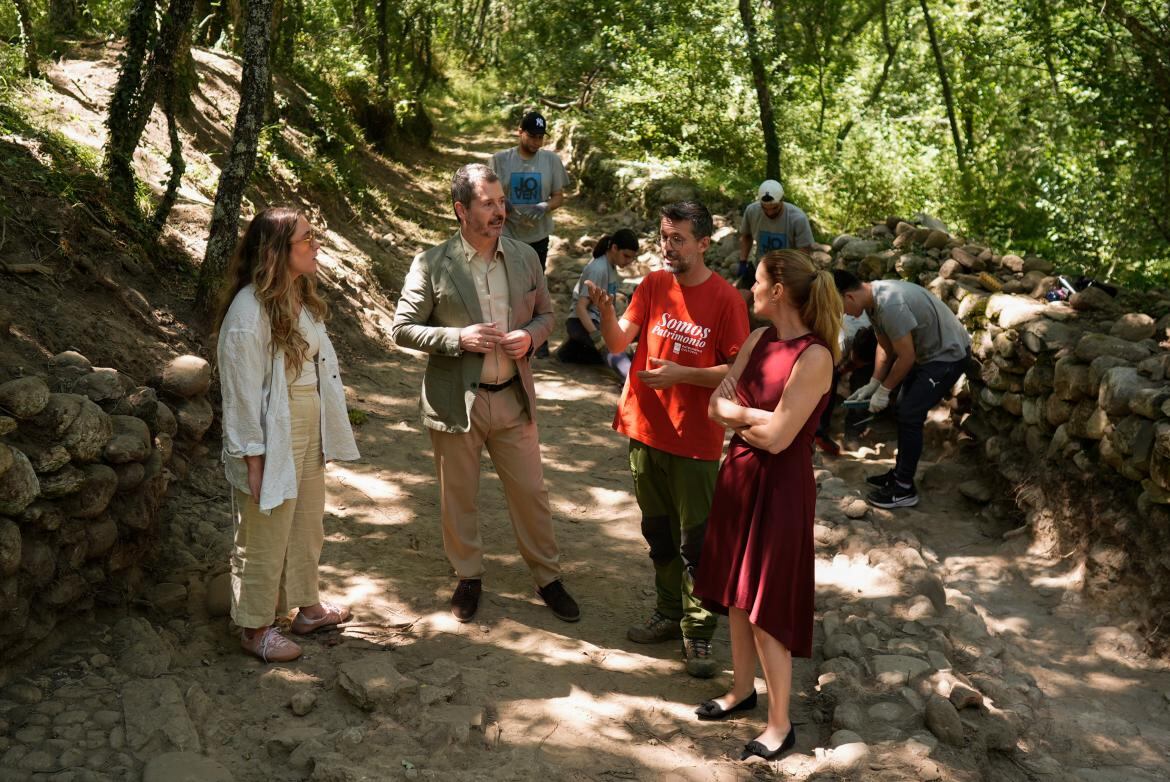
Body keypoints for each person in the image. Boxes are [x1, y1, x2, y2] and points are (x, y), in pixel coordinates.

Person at [390, 163, 580, 624]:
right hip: (457, 402)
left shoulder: (525, 257)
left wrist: (531, 337)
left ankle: (547, 577)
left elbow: (547, 314)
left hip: (513, 397)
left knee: (531, 493)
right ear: (461, 210)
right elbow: (402, 329)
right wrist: (459, 339)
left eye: (502, 201)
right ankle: (468, 575)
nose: (501, 211)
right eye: (489, 204)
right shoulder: (431, 263)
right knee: (460, 496)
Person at [588, 201, 749, 678]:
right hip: (643, 428)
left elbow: (739, 370)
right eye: (664, 237)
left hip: (695, 441)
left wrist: (685, 374)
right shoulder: (654, 285)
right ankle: (667, 612)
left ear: (703, 243)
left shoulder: (726, 300)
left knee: (695, 543)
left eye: (679, 239)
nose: (668, 246)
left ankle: (699, 635)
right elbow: (620, 345)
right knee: (657, 534)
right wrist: (606, 313)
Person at [692, 249, 840, 761]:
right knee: (735, 592)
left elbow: (779, 440)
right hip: (738, 475)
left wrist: (743, 416)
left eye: (754, 280)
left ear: (778, 289)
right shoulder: (757, 339)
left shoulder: (815, 356)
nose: (747, 287)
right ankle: (741, 690)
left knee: (765, 607)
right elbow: (716, 408)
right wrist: (755, 417)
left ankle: (780, 724)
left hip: (781, 488)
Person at [215, 207, 360, 663]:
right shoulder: (247, 311)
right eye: (306, 238)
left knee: (305, 522)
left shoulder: (299, 295)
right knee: (263, 529)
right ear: (278, 251)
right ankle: (255, 627)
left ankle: (308, 608)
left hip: (305, 421)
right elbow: (239, 393)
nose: (315, 244)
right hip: (270, 429)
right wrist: (252, 459)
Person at [834, 271, 972, 508]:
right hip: (927, 356)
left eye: (841, 307)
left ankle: (904, 489)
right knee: (904, 410)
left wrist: (884, 391)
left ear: (849, 296)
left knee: (910, 413)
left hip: (946, 356)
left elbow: (906, 356)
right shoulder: (874, 301)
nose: (844, 314)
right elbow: (885, 347)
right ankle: (900, 475)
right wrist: (874, 383)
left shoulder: (889, 304)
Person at [490, 111, 568, 358]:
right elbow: (487, 193)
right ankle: (502, 334)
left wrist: (544, 206)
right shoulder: (500, 160)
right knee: (504, 282)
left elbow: (558, 196)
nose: (536, 142)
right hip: (508, 234)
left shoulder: (550, 161)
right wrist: (504, 205)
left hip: (538, 235)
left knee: (535, 286)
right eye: (531, 136)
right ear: (519, 132)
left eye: (540, 137)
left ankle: (538, 338)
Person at [554, 229, 638, 381]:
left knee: (623, 343)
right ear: (614, 248)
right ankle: (632, 381)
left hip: (598, 321)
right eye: (626, 256)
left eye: (632, 258)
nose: (628, 261)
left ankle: (571, 351)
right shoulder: (598, 269)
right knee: (613, 349)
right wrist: (596, 336)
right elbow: (580, 308)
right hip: (581, 322)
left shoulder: (611, 266)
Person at [736, 179, 813, 288]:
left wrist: (795, 274)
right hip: (759, 265)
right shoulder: (752, 211)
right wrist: (743, 261)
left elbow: (804, 251)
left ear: (782, 200)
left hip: (787, 272)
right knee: (739, 301)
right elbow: (746, 236)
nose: (769, 212)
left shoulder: (797, 218)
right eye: (765, 208)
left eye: (775, 208)